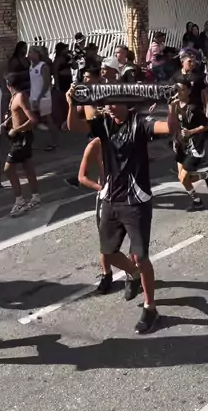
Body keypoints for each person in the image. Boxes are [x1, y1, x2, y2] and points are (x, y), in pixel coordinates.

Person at [67, 92, 177, 334]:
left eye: (115, 103)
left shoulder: (140, 123)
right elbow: (73, 125)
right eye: (107, 104)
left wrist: (172, 105)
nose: (110, 107)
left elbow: (169, 127)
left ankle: (150, 308)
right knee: (108, 252)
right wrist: (72, 103)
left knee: (140, 256)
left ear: (128, 104)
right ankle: (133, 273)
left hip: (136, 201)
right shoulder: (104, 124)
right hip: (110, 199)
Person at [77, 136, 114, 294]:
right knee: (105, 239)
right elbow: (82, 177)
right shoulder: (95, 145)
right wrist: (101, 188)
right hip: (107, 197)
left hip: (127, 194)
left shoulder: (125, 136)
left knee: (133, 235)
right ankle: (107, 274)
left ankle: (133, 272)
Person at [171, 79, 208, 211]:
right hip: (181, 143)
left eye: (182, 90)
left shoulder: (194, 108)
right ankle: (207, 175)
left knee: (184, 177)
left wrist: (191, 131)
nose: (179, 92)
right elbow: (173, 124)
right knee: (182, 178)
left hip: (195, 145)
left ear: (189, 91)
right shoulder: (175, 105)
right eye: (177, 90)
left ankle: (197, 201)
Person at [3, 73, 40, 216]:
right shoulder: (14, 97)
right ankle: (35, 197)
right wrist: (8, 122)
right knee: (27, 166)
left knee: (8, 169)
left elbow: (33, 120)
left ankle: (20, 201)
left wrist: (16, 129)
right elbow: (17, 113)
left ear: (9, 85)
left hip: (22, 137)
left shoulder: (20, 97)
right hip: (17, 137)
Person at [29, 46, 58, 151]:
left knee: (48, 119)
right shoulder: (31, 66)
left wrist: (39, 97)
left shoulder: (43, 66)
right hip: (33, 97)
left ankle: (54, 141)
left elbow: (46, 84)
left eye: (31, 52)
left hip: (43, 97)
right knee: (32, 120)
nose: (29, 54)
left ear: (37, 54)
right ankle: (31, 143)